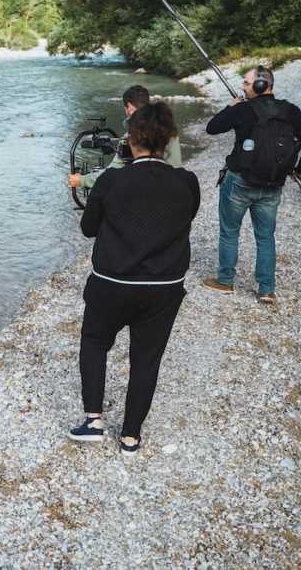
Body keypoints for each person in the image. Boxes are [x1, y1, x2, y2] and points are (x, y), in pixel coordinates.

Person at [68, 102, 200, 455]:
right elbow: (184, 220)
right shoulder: (187, 181)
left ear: (132, 139)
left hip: (112, 281)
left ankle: (93, 421)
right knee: (147, 357)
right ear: (168, 138)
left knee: (95, 341)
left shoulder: (112, 179)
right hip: (164, 288)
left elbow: (87, 229)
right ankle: (130, 436)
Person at [202, 66, 301, 304]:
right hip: (273, 184)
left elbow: (212, 128)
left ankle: (225, 281)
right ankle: (266, 289)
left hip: (239, 182)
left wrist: (229, 108)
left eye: (246, 83)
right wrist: (299, 170)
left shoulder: (243, 109)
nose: (243, 88)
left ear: (259, 85)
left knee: (229, 233)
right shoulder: (291, 111)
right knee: (266, 237)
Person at [67, 85, 182, 192]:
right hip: (174, 187)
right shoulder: (169, 130)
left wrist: (82, 180)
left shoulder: (133, 135)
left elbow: (113, 171)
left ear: (130, 107)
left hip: (147, 190)